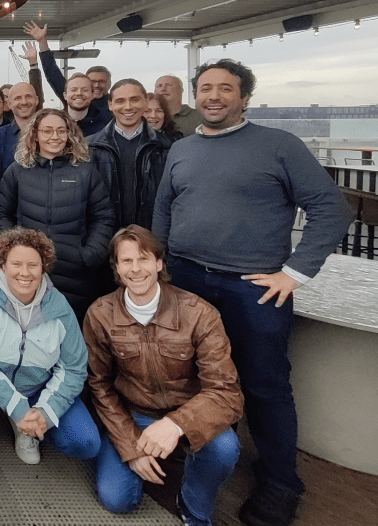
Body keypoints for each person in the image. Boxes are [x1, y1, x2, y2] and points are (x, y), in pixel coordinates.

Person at [153, 59, 352, 526]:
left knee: (265, 386)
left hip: (251, 287)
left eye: (225, 89)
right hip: (186, 280)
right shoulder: (181, 149)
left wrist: (295, 273)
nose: (213, 96)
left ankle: (280, 482)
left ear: (244, 98)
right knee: (189, 373)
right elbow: (164, 210)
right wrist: (159, 269)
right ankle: (196, 448)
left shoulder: (279, 145)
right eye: (206, 88)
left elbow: (331, 208)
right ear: (195, 96)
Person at [86, 226, 243, 526]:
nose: (136, 269)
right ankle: (134, 458)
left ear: (159, 263)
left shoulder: (199, 313)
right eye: (126, 261)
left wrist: (176, 424)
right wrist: (130, 447)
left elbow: (226, 391)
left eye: (144, 259)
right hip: (134, 414)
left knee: (224, 448)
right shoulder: (100, 314)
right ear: (117, 268)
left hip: (190, 410)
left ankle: (193, 507)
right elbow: (99, 385)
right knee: (116, 499)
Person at [0, 227, 99, 500]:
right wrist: (16, 405)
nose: (24, 273)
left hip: (36, 386)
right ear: (2, 264)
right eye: (16, 264)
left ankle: (28, 426)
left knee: (86, 442)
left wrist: (45, 412)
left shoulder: (60, 308)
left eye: (33, 265)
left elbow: (75, 368)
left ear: (44, 267)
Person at [0, 108, 114, 322]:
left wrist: (90, 254)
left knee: (71, 331)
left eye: (61, 131)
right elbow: (1, 212)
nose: (55, 136)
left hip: (76, 273)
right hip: (29, 272)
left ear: (69, 134)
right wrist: (14, 250)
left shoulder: (85, 172)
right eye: (47, 131)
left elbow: (103, 216)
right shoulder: (18, 171)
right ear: (35, 135)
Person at [87, 79, 172, 230]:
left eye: (134, 100)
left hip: (151, 237)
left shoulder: (166, 147)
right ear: (110, 105)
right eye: (120, 101)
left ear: (146, 102)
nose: (128, 107)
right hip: (103, 237)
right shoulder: (88, 147)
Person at [23, 20, 111, 134]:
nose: (97, 85)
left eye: (102, 81)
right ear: (65, 95)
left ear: (109, 83)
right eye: (93, 82)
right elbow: (53, 75)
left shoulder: (113, 112)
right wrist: (42, 43)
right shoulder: (63, 114)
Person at [0, 80, 41, 186]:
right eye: (17, 98)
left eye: (28, 96)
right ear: (9, 104)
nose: (24, 102)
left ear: (37, 100)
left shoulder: (50, 134)